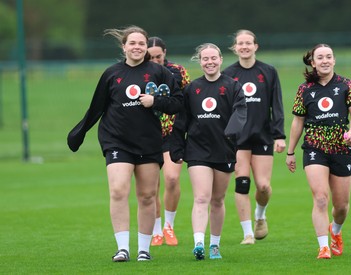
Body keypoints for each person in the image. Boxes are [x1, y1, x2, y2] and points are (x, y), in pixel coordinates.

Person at [66, 25, 183, 262]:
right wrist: (78, 133)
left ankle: (143, 249)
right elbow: (97, 107)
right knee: (118, 190)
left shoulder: (159, 73)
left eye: (141, 44)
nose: (137, 47)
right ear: (124, 46)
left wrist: (156, 101)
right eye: (132, 43)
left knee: (147, 195)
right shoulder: (111, 74)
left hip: (149, 142)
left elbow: (178, 102)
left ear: (146, 47)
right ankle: (122, 249)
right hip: (116, 140)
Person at [170, 43, 247, 260]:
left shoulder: (233, 86)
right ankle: (199, 243)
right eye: (205, 59)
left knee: (218, 199)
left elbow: (241, 112)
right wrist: (176, 147)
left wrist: (230, 133)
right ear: (200, 61)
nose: (210, 62)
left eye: (213, 58)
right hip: (197, 150)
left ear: (221, 59)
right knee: (201, 197)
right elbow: (181, 121)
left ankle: (215, 244)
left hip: (224, 150)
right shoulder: (192, 89)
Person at [285, 44, 351, 259]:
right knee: (320, 198)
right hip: (314, 147)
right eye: (320, 57)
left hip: (341, 148)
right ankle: (323, 247)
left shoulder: (347, 85)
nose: (325, 60)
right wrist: (290, 152)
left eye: (329, 56)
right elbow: (297, 122)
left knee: (341, 206)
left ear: (334, 60)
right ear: (313, 62)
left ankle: (335, 231)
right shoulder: (304, 89)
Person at [222, 30, 286, 245]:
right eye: (240, 43)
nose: (244, 47)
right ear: (235, 48)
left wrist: (279, 136)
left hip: (262, 137)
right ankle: (247, 233)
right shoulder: (228, 74)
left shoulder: (268, 71)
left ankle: (260, 215)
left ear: (256, 46)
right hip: (237, 139)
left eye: (248, 43)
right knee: (242, 182)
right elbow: (224, 108)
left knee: (263, 186)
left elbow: (276, 104)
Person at [147, 36, 191, 246]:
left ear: (165, 53)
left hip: (173, 130)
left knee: (172, 179)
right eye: (151, 57)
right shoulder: (140, 72)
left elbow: (189, 99)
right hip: (147, 133)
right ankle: (156, 231)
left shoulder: (177, 71)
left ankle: (169, 226)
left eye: (159, 56)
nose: (155, 60)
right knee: (152, 186)